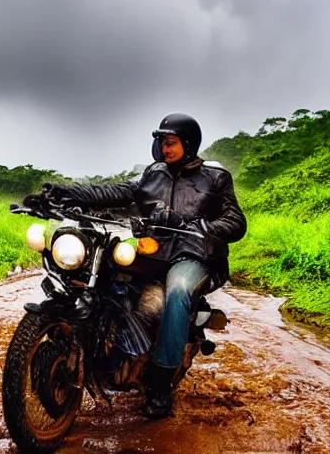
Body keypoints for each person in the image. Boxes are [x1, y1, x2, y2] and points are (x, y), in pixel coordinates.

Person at [32, 113, 247, 419]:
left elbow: (236, 221)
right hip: (153, 253)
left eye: (170, 143)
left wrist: (195, 223)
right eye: (161, 142)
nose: (164, 149)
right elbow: (115, 191)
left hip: (192, 255)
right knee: (106, 275)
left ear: (188, 143)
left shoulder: (215, 179)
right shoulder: (153, 173)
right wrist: (64, 193)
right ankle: (103, 348)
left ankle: (160, 386)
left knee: (178, 291)